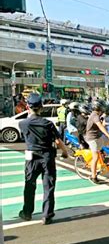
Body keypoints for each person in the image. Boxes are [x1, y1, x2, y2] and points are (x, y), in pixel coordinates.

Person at [18, 93, 69, 225]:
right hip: (47, 157)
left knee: (30, 184)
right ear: (41, 107)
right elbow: (58, 141)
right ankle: (46, 215)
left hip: (31, 157)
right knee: (49, 186)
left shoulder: (23, 123)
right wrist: (65, 152)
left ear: (28, 106)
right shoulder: (48, 124)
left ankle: (27, 213)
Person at [84, 100, 109, 184]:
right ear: (99, 107)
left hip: (98, 136)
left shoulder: (98, 115)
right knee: (95, 157)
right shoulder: (95, 115)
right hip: (92, 138)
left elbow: (102, 125)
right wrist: (108, 135)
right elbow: (100, 126)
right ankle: (93, 177)